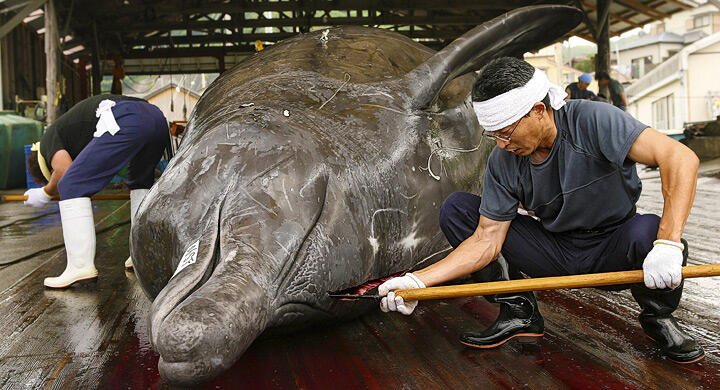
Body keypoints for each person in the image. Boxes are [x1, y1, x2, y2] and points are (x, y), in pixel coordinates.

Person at [379, 57, 704, 364]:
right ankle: (518, 312)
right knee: (458, 210)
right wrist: (417, 281)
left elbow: (679, 158)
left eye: (506, 132)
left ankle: (658, 317)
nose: (502, 144)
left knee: (651, 232)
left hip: (613, 247)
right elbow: (486, 241)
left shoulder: (593, 120)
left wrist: (668, 243)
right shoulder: (503, 160)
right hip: (555, 250)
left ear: (538, 110)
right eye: (493, 136)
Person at [25, 94, 169, 288]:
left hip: (127, 117)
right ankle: (141, 255)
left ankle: (79, 267)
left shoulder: (50, 138)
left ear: (46, 167)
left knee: (71, 183)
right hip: (156, 117)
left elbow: (63, 171)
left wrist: (46, 191)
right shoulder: (73, 134)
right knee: (140, 183)